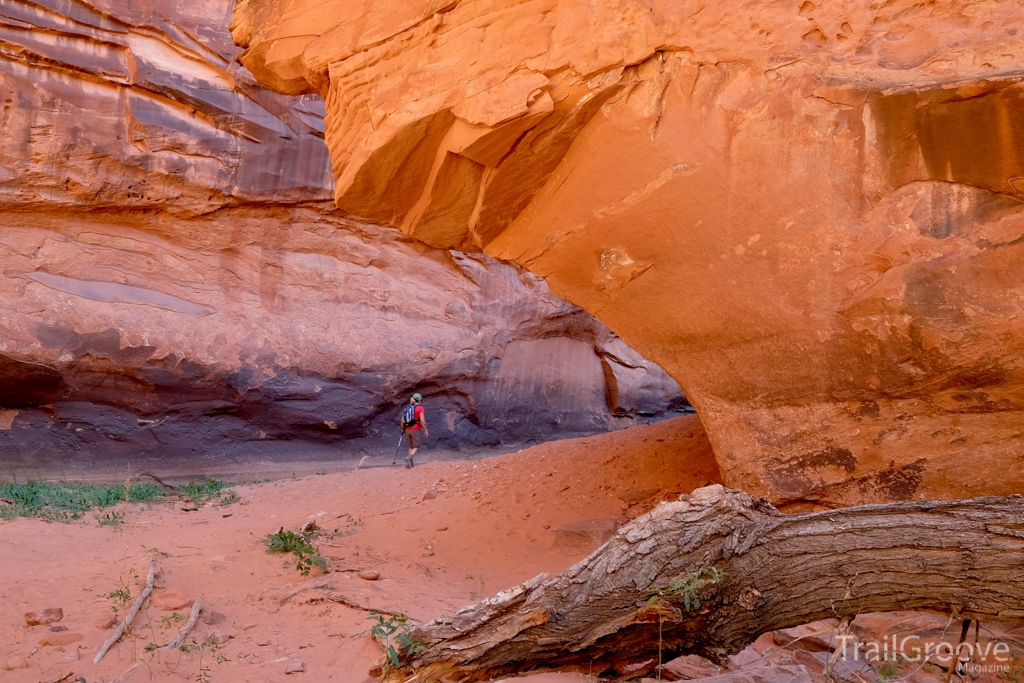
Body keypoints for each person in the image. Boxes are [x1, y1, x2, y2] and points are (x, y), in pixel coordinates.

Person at [400, 393, 428, 468]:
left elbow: (402, 420)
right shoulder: (420, 408)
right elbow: (422, 421)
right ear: (419, 400)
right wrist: (426, 429)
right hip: (415, 429)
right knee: (416, 447)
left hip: (407, 429)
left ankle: (411, 465)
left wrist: (402, 429)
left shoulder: (407, 408)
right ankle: (408, 458)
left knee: (410, 447)